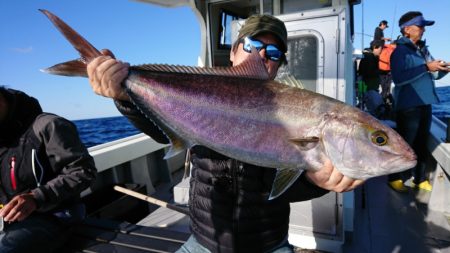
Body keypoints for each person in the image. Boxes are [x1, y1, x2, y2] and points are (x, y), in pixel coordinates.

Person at [86, 14, 364, 252]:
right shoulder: (202, 92)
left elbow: (283, 188)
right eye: (252, 45)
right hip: (204, 241)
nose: (263, 54)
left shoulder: (299, 108)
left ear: (279, 65)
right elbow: (163, 133)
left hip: (267, 243)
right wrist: (124, 97)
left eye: (275, 53)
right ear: (233, 52)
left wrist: (317, 182)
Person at [0, 87, 97, 252]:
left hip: (56, 215)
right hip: (9, 220)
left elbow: (84, 171)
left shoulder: (48, 125)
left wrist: (36, 198)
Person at [388, 11, 450, 193]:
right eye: (420, 26)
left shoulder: (423, 50)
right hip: (408, 106)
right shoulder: (400, 52)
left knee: (421, 142)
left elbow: (434, 74)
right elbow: (399, 78)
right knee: (405, 144)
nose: (423, 30)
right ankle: (394, 176)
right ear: (407, 30)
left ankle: (420, 178)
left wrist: (443, 69)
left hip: (425, 103)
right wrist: (425, 67)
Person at [358, 40, 384, 117]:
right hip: (370, 88)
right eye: (380, 49)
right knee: (373, 109)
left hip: (368, 88)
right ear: (375, 47)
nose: (381, 51)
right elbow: (369, 73)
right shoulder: (369, 58)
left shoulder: (369, 56)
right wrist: (380, 72)